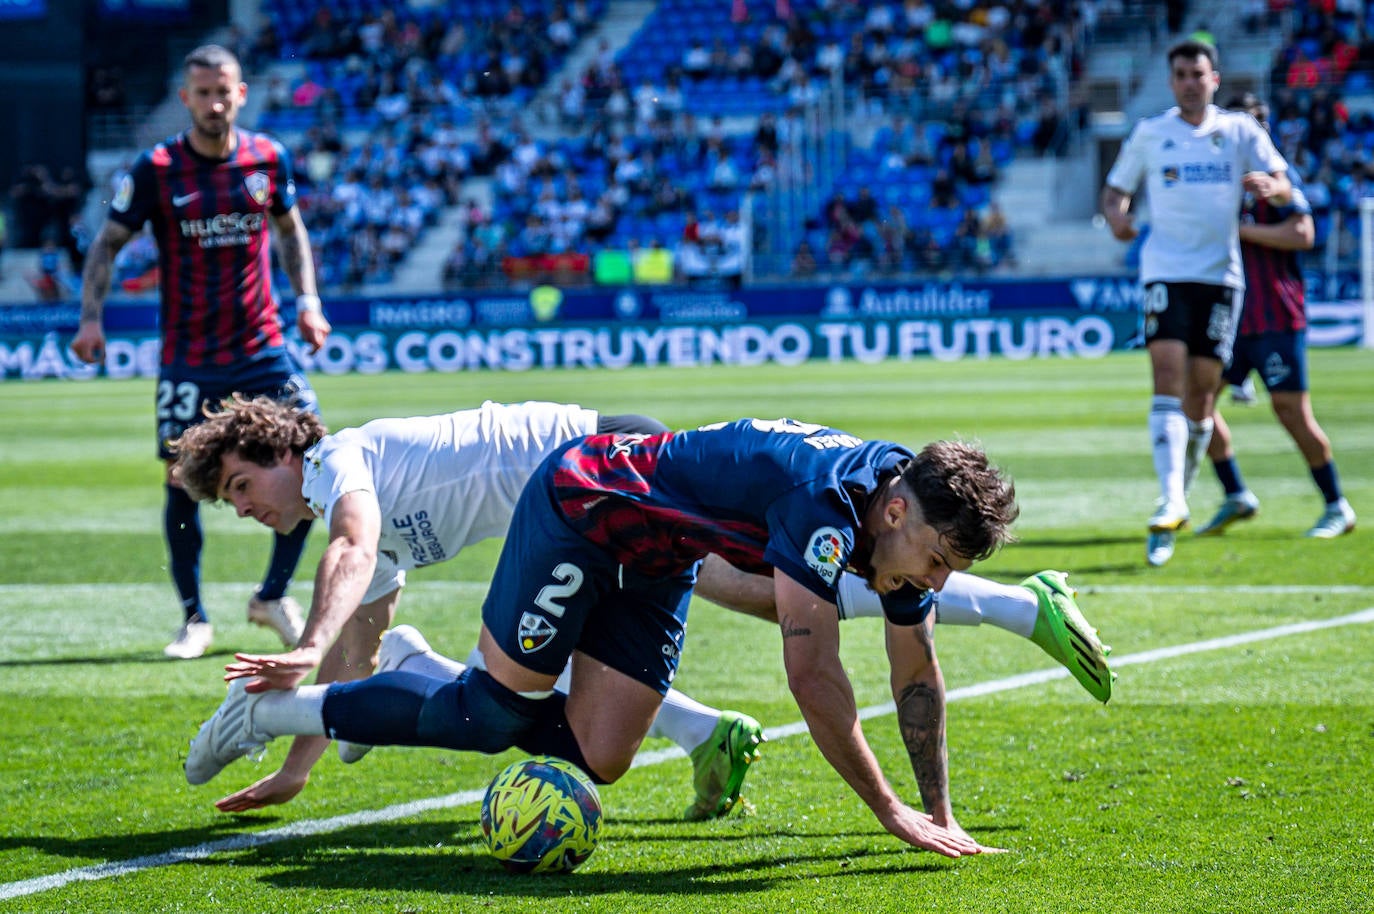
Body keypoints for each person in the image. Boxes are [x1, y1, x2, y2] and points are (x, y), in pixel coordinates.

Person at [186, 415, 1111, 855]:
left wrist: (940, 809)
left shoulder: (894, 519)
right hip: (582, 506)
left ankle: (401, 676)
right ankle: (269, 714)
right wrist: (889, 815)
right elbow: (816, 678)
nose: (937, 581)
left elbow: (915, 672)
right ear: (900, 508)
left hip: (662, 550)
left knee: (601, 753)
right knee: (497, 713)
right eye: (940, 559)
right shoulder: (825, 508)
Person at [172, 397, 765, 820]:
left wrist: (304, 650)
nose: (244, 510)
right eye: (231, 502)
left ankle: (413, 672)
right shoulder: (360, 504)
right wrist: (298, 769)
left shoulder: (334, 460)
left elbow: (350, 547)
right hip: (596, 497)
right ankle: (705, 730)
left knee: (494, 707)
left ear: (280, 451)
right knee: (600, 750)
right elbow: (358, 654)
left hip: (601, 469)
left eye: (241, 486)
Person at [70, 45, 332, 659]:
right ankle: (194, 619)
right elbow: (106, 245)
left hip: (263, 348)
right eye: (203, 93)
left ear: (242, 93)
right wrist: (90, 320)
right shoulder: (157, 168)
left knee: (317, 459)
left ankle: (271, 595)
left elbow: (290, 230)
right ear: (185, 99)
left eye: (225, 91)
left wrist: (309, 300)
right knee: (181, 484)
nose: (215, 104)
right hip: (189, 359)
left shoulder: (268, 158)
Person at [1100, 39, 1292, 567]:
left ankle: (1176, 496)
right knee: (1168, 377)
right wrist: (1118, 217)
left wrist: (1270, 187)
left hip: (1222, 279)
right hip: (1165, 272)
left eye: (1197, 73)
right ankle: (1170, 499)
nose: (1189, 81)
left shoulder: (1238, 131)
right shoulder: (1151, 133)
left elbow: (1281, 182)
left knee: (1203, 399)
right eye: (1180, 73)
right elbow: (1116, 190)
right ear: (1172, 81)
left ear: (1214, 78)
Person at [1196, 95, 1356, 539]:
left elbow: (1304, 234)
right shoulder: (1216, 181)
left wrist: (1241, 230)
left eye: (1260, 123)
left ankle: (1336, 505)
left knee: (1291, 412)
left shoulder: (1280, 180)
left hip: (1274, 316)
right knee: (1196, 409)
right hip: (1226, 318)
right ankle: (1236, 494)